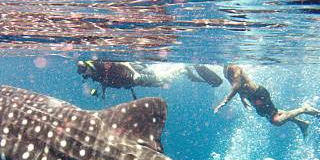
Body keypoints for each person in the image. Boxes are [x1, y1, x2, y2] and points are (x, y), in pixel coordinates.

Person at [214, 64, 320, 137]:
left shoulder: (235, 68)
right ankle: (301, 123)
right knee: (272, 115)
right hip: (253, 99)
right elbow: (240, 88)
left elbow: (236, 86)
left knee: (276, 121)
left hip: (259, 94)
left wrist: (224, 102)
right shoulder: (227, 72)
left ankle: (304, 109)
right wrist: (243, 99)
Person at [77, 60, 222, 100]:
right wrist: (96, 93)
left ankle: (184, 67)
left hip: (136, 74)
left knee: (161, 77)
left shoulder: (101, 64)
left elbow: (122, 63)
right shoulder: (96, 75)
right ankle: (184, 70)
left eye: (84, 70)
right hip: (134, 81)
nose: (86, 74)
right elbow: (97, 88)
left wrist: (135, 74)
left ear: (88, 65)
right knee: (161, 81)